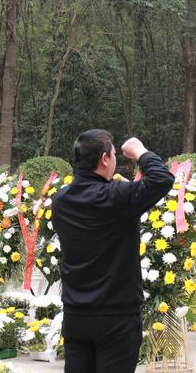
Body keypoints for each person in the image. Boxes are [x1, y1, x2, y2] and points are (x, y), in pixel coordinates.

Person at [52, 130, 174, 373]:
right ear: (105, 159)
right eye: (115, 154)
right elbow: (161, 179)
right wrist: (139, 151)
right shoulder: (115, 197)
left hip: (76, 315)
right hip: (115, 317)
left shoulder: (61, 200)